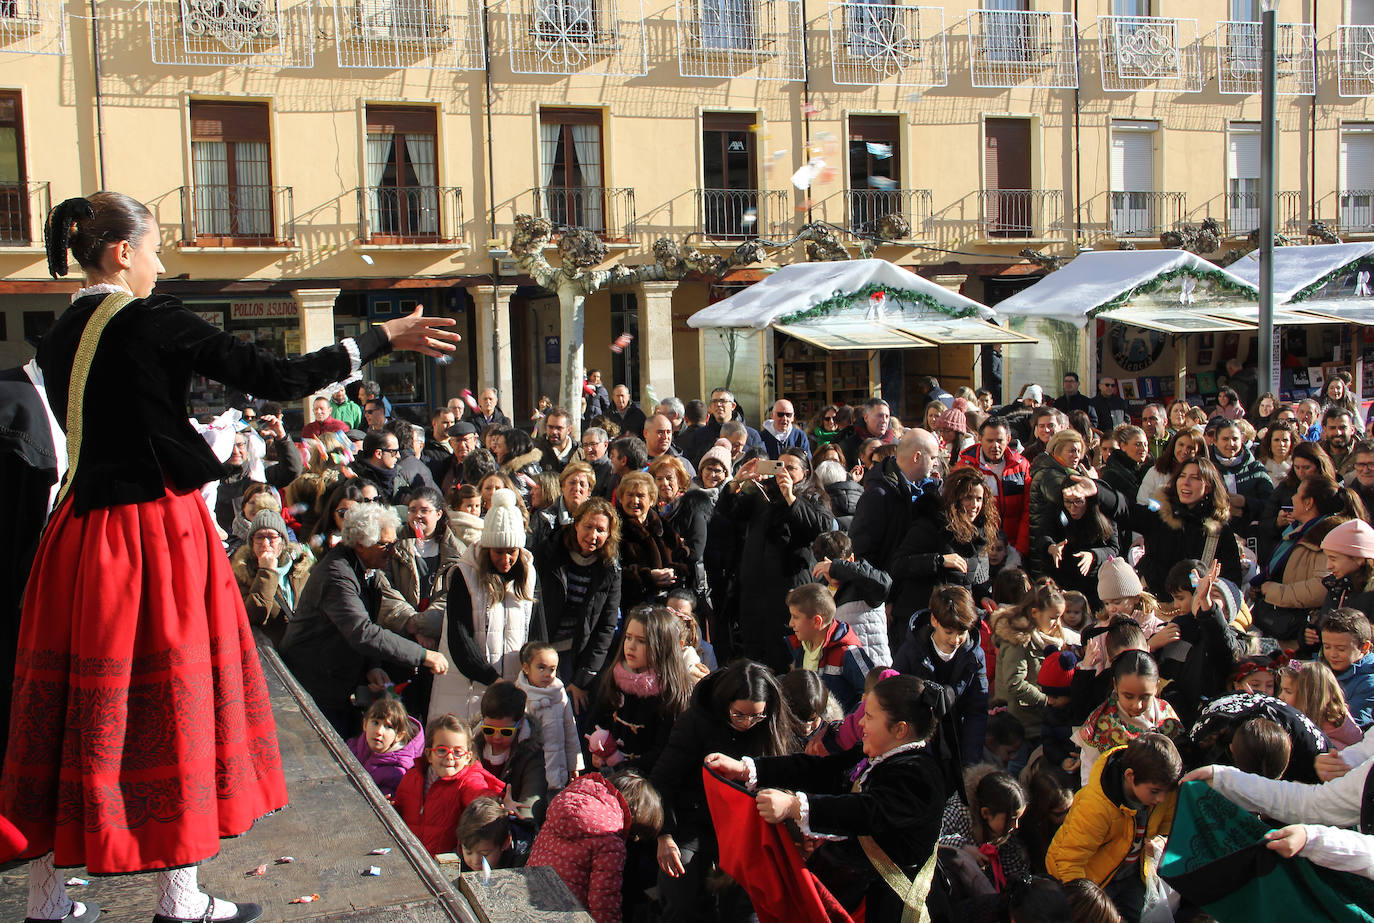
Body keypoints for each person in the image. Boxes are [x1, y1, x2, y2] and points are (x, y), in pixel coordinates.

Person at [704, 674, 950, 922]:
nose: (861, 723)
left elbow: (864, 811)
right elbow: (821, 770)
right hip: (863, 890)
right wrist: (747, 769)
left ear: (900, 729)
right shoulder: (879, 753)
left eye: (871, 717)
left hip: (892, 906)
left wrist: (794, 806)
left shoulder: (920, 776)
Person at [281, 503, 451, 735]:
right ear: (360, 544)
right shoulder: (337, 575)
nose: (392, 551)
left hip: (337, 680)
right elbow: (363, 631)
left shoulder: (368, 569)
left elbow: (378, 614)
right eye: (384, 545)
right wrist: (422, 655)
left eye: (394, 544)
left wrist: (372, 665)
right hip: (314, 683)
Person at [649, 661, 797, 923]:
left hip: (745, 827)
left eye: (756, 716)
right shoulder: (695, 722)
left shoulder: (768, 729)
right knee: (681, 894)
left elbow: (781, 776)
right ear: (724, 703)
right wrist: (665, 834)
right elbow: (663, 780)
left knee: (747, 907)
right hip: (691, 821)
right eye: (739, 715)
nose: (747, 723)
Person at [428, 488, 545, 723]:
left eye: (511, 552)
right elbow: (459, 638)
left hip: (514, 685)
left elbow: (537, 630)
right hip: (468, 687)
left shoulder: (529, 574)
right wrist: (491, 678)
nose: (505, 560)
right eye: (498, 552)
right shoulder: (465, 574)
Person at [1046, 734, 1182, 923]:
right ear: (1130, 776)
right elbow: (1069, 862)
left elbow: (1168, 826)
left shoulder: (1163, 788)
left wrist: (1161, 840)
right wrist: (1089, 906)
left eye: (1166, 792)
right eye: (1155, 792)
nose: (1161, 799)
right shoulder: (1097, 807)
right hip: (1091, 880)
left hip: (1132, 874)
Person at [528, 769, 663, 923]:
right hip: (567, 914)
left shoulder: (563, 804)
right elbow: (604, 901)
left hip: (530, 899)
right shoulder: (610, 839)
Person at [889, 465, 996, 645]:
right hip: (921, 620)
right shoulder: (930, 525)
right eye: (968, 498)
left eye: (979, 499)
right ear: (955, 498)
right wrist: (940, 560)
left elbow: (964, 578)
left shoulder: (977, 533)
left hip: (954, 623)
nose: (975, 505)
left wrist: (982, 595)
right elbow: (898, 564)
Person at [534, 497, 622, 714]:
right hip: (540, 646)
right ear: (576, 524)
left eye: (601, 530)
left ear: (609, 534)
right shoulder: (551, 551)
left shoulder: (609, 569)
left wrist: (583, 678)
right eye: (588, 527)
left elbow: (606, 625)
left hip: (573, 654)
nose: (593, 535)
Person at [587, 606, 693, 775]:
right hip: (607, 777)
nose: (631, 646)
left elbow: (663, 753)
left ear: (663, 646)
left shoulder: (671, 693)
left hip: (645, 786)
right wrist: (596, 749)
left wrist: (621, 770)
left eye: (641, 641)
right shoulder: (614, 677)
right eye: (628, 637)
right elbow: (596, 721)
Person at [893, 585, 989, 766]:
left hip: (958, 741)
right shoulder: (910, 652)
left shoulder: (975, 656)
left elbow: (976, 710)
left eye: (962, 633)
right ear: (934, 621)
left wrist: (969, 762)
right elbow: (897, 702)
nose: (955, 640)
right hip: (920, 742)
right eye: (949, 632)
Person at [392, 713, 505, 857]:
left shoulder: (467, 780)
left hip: (444, 864)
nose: (450, 757)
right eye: (441, 750)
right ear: (428, 754)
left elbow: (478, 794)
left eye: (457, 752)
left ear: (467, 757)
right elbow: (400, 808)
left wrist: (496, 801)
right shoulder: (412, 778)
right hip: (408, 857)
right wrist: (391, 807)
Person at [993, 579, 1077, 765]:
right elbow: (1015, 682)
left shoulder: (1052, 638)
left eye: (1059, 617)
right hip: (1022, 724)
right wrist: (1047, 700)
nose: (1057, 623)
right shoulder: (1019, 640)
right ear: (1034, 613)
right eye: (1053, 617)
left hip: (1041, 721)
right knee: (1019, 768)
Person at [1132, 457, 1243, 596]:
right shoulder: (1158, 516)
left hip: (1197, 610)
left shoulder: (1218, 531)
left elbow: (1232, 581)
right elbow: (1124, 509)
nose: (1186, 482)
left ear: (1208, 486)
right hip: (1155, 608)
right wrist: (1098, 493)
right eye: (1182, 476)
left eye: (1195, 478)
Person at [1075, 651, 1183, 786]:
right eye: (1128, 696)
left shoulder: (1167, 716)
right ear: (1115, 685)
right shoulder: (1100, 725)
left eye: (1145, 697)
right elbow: (1089, 779)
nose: (1137, 705)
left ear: (1157, 686)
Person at [938, 767, 1030, 899]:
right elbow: (932, 840)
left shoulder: (1006, 831)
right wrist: (962, 848)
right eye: (1012, 819)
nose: (1016, 826)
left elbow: (1014, 870)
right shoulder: (958, 813)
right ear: (986, 813)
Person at [229, 507, 315, 647]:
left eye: (272, 537)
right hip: (273, 655)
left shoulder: (300, 567)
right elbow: (253, 616)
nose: (265, 543)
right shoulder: (242, 573)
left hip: (304, 649)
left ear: (282, 541)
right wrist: (266, 571)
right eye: (259, 537)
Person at [785, 583, 872, 713]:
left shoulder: (847, 652)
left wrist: (848, 723)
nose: (791, 623)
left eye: (796, 617)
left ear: (817, 621)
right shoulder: (799, 647)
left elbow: (872, 692)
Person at [812, 530, 892, 667]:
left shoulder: (865, 583)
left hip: (872, 668)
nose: (831, 575)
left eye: (833, 567)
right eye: (826, 570)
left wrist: (837, 567)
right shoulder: (822, 592)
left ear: (850, 560)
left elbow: (884, 583)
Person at [472, 681, 548, 821]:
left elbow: (532, 795)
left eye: (506, 732)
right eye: (489, 730)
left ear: (520, 724)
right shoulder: (470, 747)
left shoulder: (530, 752)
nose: (497, 737)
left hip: (511, 822)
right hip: (474, 820)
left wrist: (519, 820)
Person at [616, 471, 691, 610]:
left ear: (651, 500)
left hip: (665, 605)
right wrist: (647, 577)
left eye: (640, 495)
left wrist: (671, 573)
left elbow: (682, 557)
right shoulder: (614, 528)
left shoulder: (662, 526)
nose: (635, 501)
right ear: (621, 498)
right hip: (631, 606)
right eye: (630, 495)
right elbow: (612, 571)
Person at [957, 417, 1032, 555]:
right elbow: (957, 509)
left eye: (1000, 440)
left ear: (1008, 439)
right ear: (980, 438)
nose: (995, 446)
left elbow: (1028, 509)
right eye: (990, 441)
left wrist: (1019, 549)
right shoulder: (966, 466)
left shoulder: (1022, 466)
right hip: (977, 546)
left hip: (1013, 545)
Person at [516, 641, 583, 790]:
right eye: (541, 668)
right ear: (526, 668)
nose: (547, 674)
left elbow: (570, 729)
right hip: (530, 773)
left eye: (552, 669)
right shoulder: (519, 695)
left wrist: (574, 764)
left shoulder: (558, 692)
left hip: (558, 768)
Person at [346, 697, 424, 799]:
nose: (379, 731)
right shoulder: (351, 748)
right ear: (365, 724)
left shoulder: (396, 772)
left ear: (399, 735)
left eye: (388, 726)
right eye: (375, 722)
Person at [1320, 607, 1374, 728]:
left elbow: (1354, 724)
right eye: (1327, 647)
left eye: (1341, 649)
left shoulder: (1369, 681)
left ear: (1364, 647)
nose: (1333, 654)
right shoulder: (1323, 668)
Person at [458, 796, 532, 872]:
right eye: (468, 852)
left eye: (484, 854)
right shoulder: (463, 854)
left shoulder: (523, 860)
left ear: (505, 843)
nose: (475, 861)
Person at [1135, 426, 1202, 505]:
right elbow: (1142, 501)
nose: (1184, 451)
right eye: (1181, 445)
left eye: (1190, 448)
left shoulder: (1204, 476)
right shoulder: (1156, 471)